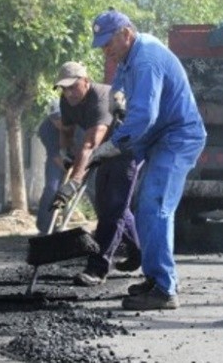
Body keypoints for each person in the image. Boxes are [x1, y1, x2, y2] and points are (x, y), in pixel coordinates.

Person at [87, 9, 206, 311]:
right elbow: (120, 86)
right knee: (143, 208)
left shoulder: (147, 58)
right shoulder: (130, 55)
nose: (106, 50)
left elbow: (143, 116)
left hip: (177, 136)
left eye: (108, 43)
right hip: (158, 135)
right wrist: (116, 96)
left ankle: (165, 290)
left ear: (126, 33)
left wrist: (113, 146)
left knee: (155, 206)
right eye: (101, 45)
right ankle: (154, 278)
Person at [52, 61, 142, 287]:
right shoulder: (67, 100)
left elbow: (90, 143)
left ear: (86, 81)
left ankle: (97, 268)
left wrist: (73, 182)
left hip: (126, 149)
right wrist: (65, 153)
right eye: (64, 88)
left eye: (73, 86)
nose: (69, 92)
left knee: (113, 208)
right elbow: (67, 129)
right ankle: (139, 252)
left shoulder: (101, 98)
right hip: (105, 151)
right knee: (109, 206)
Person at [34, 100, 65, 235]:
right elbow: (54, 155)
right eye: (54, 118)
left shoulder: (76, 121)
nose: (57, 121)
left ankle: (57, 220)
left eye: (60, 117)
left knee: (66, 193)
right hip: (57, 160)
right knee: (53, 188)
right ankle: (45, 225)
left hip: (78, 156)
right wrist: (66, 168)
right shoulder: (45, 129)